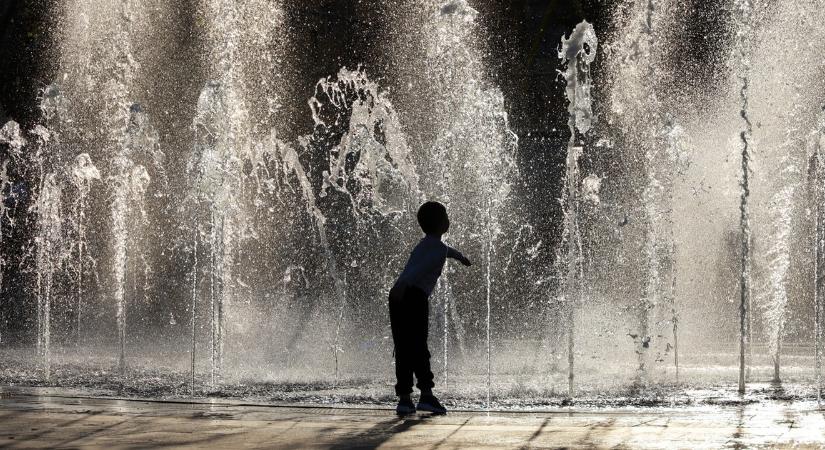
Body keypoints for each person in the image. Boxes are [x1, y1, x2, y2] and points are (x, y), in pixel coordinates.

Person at [389, 201, 471, 415]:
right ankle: (426, 395)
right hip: (412, 295)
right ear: (440, 223)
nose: (448, 220)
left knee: (404, 347)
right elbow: (419, 269)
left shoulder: (427, 244)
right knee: (418, 346)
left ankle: (405, 399)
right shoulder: (437, 249)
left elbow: (446, 251)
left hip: (400, 295)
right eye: (446, 216)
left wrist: (460, 257)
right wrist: (405, 285)